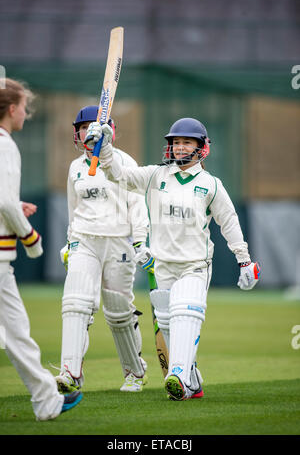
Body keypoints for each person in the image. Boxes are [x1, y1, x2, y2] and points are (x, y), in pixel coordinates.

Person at [86, 116, 261, 401]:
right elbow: (120, 175)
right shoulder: (157, 176)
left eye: (186, 142)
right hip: (162, 265)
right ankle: (191, 380)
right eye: (175, 142)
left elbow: (229, 222)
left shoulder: (211, 185)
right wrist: (103, 148)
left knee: (185, 312)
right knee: (167, 322)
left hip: (194, 265)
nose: (179, 148)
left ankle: (177, 374)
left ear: (202, 147)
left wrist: (244, 259)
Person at [0, 77, 82, 420]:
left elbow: (4, 200)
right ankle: (47, 399)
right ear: (11, 109)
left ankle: (47, 399)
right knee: (15, 333)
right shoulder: (5, 145)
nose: (27, 114)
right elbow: (3, 201)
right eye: (24, 107)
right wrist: (29, 236)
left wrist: (15, 206)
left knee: (16, 333)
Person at [55, 106, 150, 393]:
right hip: (85, 240)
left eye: (91, 127)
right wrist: (71, 240)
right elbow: (74, 208)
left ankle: (135, 372)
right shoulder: (75, 167)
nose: (87, 132)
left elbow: (138, 205)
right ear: (77, 133)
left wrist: (140, 241)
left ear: (110, 132)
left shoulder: (124, 162)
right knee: (75, 303)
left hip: (118, 241)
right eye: (82, 128)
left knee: (119, 312)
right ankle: (70, 373)